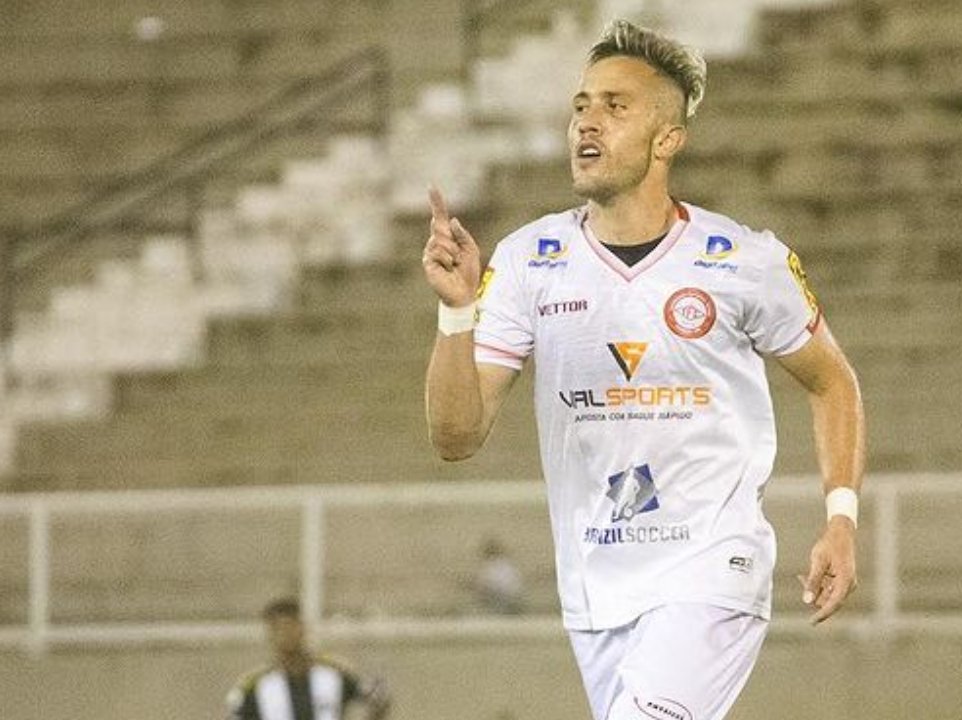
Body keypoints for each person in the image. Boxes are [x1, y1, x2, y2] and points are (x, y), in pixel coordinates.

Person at [421, 19, 866, 720]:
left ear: (667, 140)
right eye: (580, 105)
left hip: (712, 571)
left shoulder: (742, 260)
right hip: (595, 588)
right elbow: (455, 436)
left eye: (615, 106)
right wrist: (456, 312)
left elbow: (832, 380)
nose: (587, 122)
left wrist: (841, 519)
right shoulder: (527, 261)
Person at [225, 598, 390, 720]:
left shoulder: (334, 672)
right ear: (269, 635)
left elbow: (379, 698)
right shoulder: (254, 685)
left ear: (302, 628)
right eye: (277, 629)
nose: (284, 634)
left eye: (289, 626)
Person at [471, 536, 527, 615]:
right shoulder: (507, 563)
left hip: (503, 600)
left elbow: (481, 586)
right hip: (516, 598)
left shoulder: (489, 567)